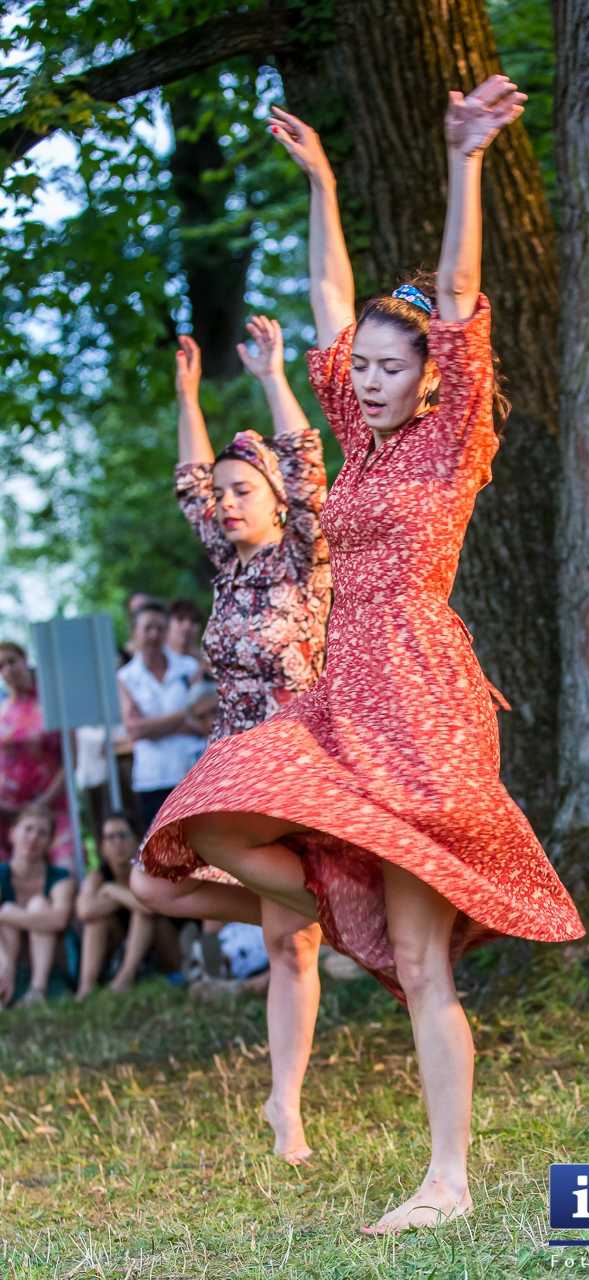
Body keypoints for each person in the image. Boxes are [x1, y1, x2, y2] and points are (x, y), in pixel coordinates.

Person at [133, 75, 585, 1234]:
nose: (370, 380)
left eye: (392, 368)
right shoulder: (363, 450)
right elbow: (332, 299)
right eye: (364, 371)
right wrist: (323, 182)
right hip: (339, 695)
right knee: (217, 810)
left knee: (427, 966)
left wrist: (464, 161)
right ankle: (343, 902)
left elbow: (459, 291)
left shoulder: (449, 444)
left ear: (431, 374)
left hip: (420, 693)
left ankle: (446, 1176)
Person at [131, 313, 335, 1160]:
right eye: (221, 494)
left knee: (291, 952)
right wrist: (186, 393)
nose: (222, 501)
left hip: (298, 759)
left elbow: (308, 464)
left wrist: (271, 376)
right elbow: (188, 481)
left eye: (240, 489)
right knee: (153, 886)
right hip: (230, 760)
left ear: (277, 500)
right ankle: (324, 905)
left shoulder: (306, 554)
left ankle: (283, 1107)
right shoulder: (230, 564)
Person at [117, 601, 207, 831]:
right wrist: (185, 716)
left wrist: (154, 727)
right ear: (134, 632)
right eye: (147, 628)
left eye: (160, 628)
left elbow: (207, 720)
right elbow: (135, 729)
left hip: (193, 772)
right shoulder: (126, 677)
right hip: (152, 778)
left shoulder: (188, 667)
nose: (154, 635)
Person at [75, 811, 179, 999]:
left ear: (137, 840)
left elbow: (149, 907)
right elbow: (84, 911)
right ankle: (85, 988)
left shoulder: (149, 870)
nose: (117, 843)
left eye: (122, 835)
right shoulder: (98, 876)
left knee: (143, 913)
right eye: (110, 838)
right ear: (102, 847)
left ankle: (125, 979)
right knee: (95, 921)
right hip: (119, 946)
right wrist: (121, 895)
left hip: (163, 950)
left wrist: (112, 891)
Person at [0, 641, 74, 869]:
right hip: (8, 813)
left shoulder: (52, 703)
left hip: (51, 807)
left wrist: (42, 802)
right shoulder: (2, 710)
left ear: (25, 660)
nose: (8, 670)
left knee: (64, 869)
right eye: (1, 666)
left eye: (12, 661)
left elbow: (71, 759)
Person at [0, 806, 75, 1007]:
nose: (33, 838)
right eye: (28, 829)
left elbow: (59, 919)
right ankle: (6, 984)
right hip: (7, 958)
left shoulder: (60, 877)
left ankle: (37, 990)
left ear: (50, 842)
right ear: (12, 834)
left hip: (50, 961)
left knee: (37, 905)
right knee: (7, 914)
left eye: (42, 833)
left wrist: (7, 914)